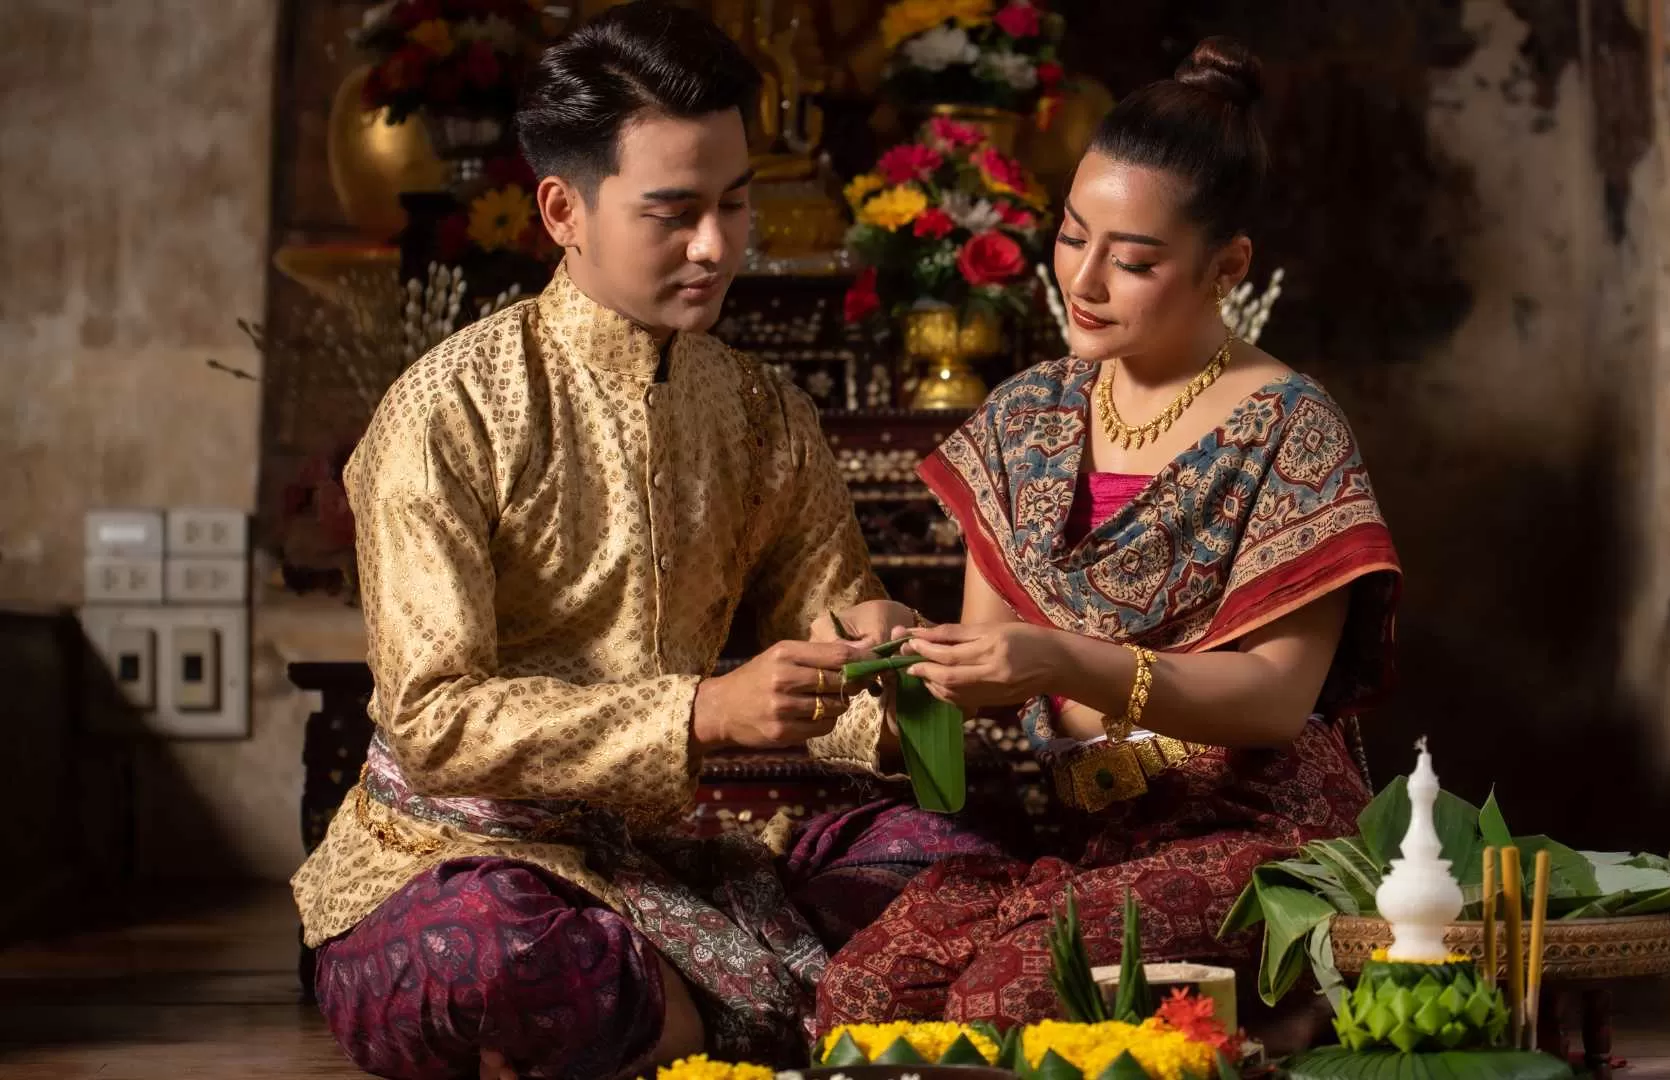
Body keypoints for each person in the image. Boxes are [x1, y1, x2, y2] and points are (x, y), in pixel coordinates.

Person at [290, 6, 921, 1079]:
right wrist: (701, 709)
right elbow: (437, 720)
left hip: (669, 855)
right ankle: (714, 1016)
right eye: (673, 212)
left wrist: (897, 671)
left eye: (735, 203)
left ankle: (666, 1022)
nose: (718, 245)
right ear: (563, 210)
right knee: (497, 952)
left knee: (940, 865)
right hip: (451, 856)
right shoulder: (448, 415)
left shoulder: (764, 413)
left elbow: (836, 638)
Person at [809, 36, 1404, 1031]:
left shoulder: (1290, 428)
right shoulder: (1026, 416)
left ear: (1228, 266)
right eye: (1072, 237)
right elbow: (980, 685)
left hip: (1265, 836)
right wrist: (901, 652)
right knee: (862, 994)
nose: (1083, 281)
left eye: (1131, 261)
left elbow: (1271, 701)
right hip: (1096, 838)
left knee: (1012, 999)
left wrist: (1060, 660)